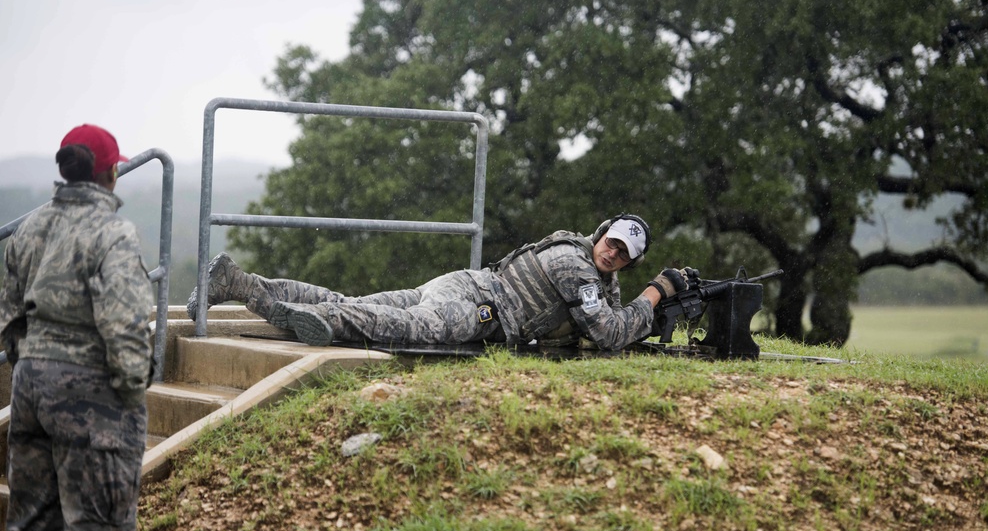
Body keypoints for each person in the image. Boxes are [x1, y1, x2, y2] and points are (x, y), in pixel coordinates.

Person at [0, 124, 153, 531]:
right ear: (111, 173)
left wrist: (32, 366)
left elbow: (8, 318)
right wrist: (130, 393)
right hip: (93, 401)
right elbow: (126, 328)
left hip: (29, 389)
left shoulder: (30, 228)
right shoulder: (113, 233)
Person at [188, 214, 695, 351]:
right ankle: (313, 319)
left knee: (360, 301)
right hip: (481, 307)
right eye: (611, 241)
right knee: (402, 326)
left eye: (622, 253)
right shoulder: (578, 265)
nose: (611, 251)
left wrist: (646, 300)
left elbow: (606, 320)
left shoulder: (592, 271)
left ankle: (237, 281)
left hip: (467, 286)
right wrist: (656, 294)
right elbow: (606, 332)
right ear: (601, 233)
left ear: (626, 260)